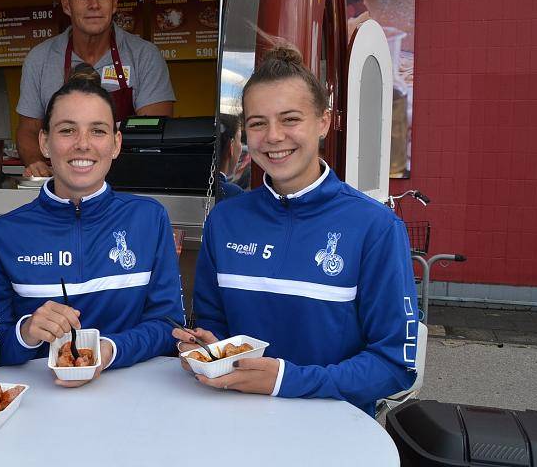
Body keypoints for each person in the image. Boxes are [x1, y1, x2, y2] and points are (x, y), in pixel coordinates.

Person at [174, 46, 418, 415]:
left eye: (290, 119)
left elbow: (396, 364)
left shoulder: (375, 227)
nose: (273, 136)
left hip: (333, 431)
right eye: (257, 123)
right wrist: (207, 349)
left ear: (323, 121)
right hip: (236, 419)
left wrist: (286, 380)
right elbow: (216, 327)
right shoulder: (226, 220)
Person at [0, 64, 183, 386]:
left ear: (116, 144)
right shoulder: (1, 235)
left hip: (133, 399)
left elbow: (168, 325)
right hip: (38, 405)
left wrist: (110, 349)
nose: (83, 144)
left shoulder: (149, 219)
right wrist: (27, 331)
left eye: (97, 130)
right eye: (67, 130)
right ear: (45, 143)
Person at [16, 0, 176, 177]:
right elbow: (28, 131)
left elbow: (153, 134)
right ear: (66, 6)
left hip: (129, 182)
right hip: (64, 183)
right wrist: (36, 162)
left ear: (114, 3)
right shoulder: (40, 59)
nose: (94, 5)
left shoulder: (144, 56)